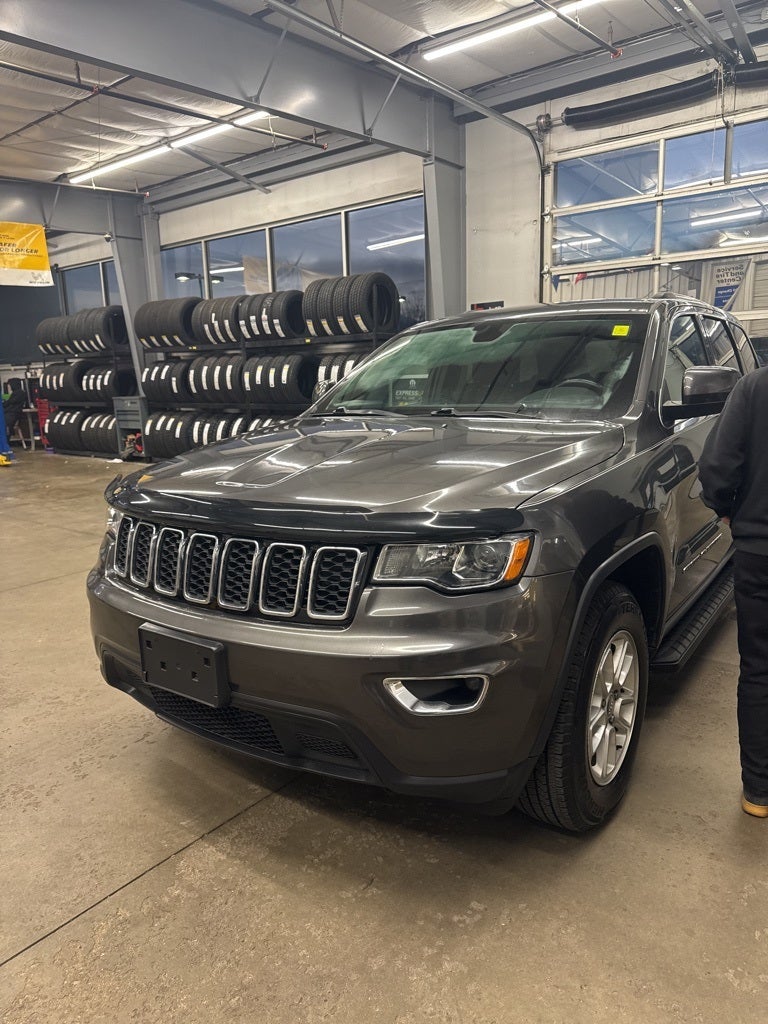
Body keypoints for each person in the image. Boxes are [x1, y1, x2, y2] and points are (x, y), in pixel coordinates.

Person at [699, 364, 768, 819]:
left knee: (760, 670)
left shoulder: (756, 387)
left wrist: (729, 512)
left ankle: (759, 792)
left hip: (761, 549)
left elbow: (718, 466)